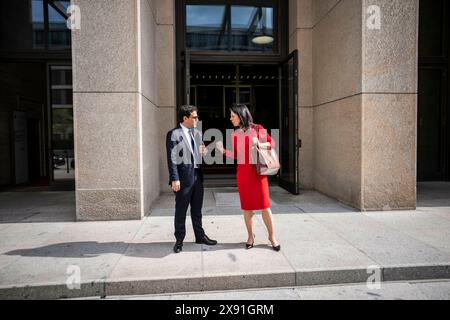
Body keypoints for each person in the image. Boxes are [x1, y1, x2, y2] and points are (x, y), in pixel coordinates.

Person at [217, 104, 280, 251]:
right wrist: (223, 151)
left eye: (233, 115)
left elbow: (272, 143)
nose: (230, 118)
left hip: (258, 173)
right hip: (243, 174)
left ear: (241, 115)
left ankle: (272, 237)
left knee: (265, 206)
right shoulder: (234, 134)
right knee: (247, 208)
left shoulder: (257, 128)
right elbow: (238, 156)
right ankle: (250, 236)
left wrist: (259, 142)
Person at [166, 105, 217, 253]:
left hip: (197, 176)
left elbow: (201, 155)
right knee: (181, 210)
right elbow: (172, 158)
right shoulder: (173, 134)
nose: (197, 119)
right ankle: (179, 240)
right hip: (183, 179)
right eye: (194, 117)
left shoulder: (196, 133)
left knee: (197, 210)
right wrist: (175, 178)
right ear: (185, 118)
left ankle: (200, 236)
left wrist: (204, 151)